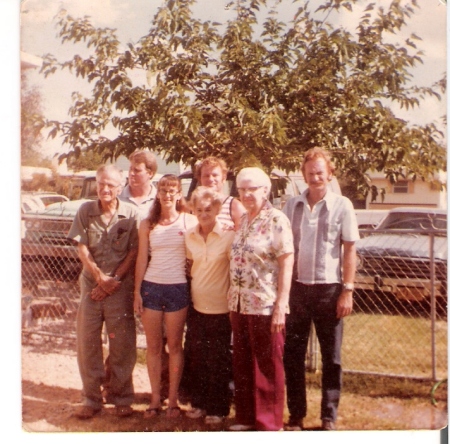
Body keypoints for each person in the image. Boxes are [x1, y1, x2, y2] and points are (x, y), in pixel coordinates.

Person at [282, 147, 359, 431]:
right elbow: (285, 250)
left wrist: (347, 290)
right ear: (303, 175)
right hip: (297, 290)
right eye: (310, 173)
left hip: (330, 291)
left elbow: (349, 249)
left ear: (330, 173)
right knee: (292, 355)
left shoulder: (343, 205)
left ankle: (329, 417)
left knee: (332, 358)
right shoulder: (291, 206)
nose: (315, 178)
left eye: (320, 173)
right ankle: (297, 415)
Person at [68, 165, 139, 420]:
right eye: (101, 184)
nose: (105, 189)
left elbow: (134, 251)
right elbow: (82, 248)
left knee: (121, 344)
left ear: (120, 188)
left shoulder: (131, 213)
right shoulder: (86, 211)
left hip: (119, 288)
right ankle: (91, 398)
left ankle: (121, 397)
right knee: (87, 342)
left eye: (111, 185)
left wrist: (114, 280)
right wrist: (100, 278)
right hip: (91, 286)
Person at [227, 167, 294, 431]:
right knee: (242, 360)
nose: (245, 194)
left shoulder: (276, 219)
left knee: (266, 364)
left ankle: (268, 424)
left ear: (265, 190)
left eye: (251, 189)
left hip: (265, 303)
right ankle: (245, 417)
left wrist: (281, 304)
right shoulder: (243, 220)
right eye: (241, 189)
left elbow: (287, 260)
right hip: (239, 302)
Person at [134, 174, 197, 419]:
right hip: (151, 287)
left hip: (177, 289)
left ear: (179, 194)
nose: (168, 195)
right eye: (163, 191)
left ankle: (172, 401)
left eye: (172, 191)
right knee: (153, 347)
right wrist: (137, 292)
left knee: (174, 346)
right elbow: (141, 258)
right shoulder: (147, 224)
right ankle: (154, 399)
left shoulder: (188, 221)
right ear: (157, 194)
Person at [183, 187, 235, 425]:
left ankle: (218, 408)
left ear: (217, 209)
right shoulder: (189, 236)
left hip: (221, 309)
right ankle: (199, 403)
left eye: (208, 209)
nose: (204, 214)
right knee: (197, 358)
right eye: (199, 209)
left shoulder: (228, 236)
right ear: (193, 210)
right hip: (197, 307)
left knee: (218, 360)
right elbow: (190, 266)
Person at [195, 156, 246, 229]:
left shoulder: (234, 207)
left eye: (215, 175)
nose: (210, 179)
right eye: (206, 176)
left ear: (224, 178)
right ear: (200, 179)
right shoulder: (194, 207)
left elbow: (243, 236)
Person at [120, 150, 158, 219]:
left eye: (137, 170)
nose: (131, 173)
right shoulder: (118, 198)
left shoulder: (159, 199)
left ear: (150, 173)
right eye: (130, 169)